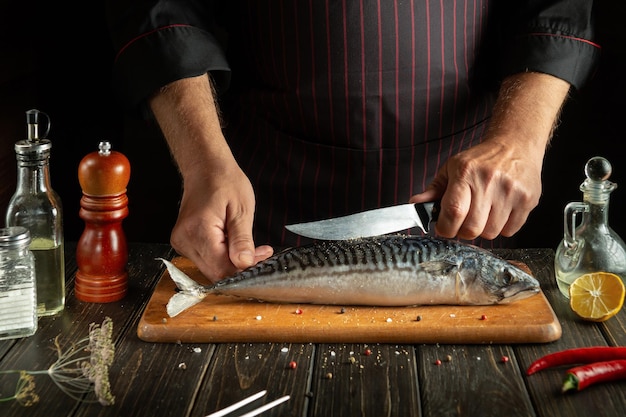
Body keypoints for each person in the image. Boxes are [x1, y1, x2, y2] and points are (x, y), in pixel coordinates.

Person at [105, 1, 599, 282]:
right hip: (263, 209)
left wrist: (518, 142)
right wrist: (203, 163)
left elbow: (555, 6)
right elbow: (162, 3)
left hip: (460, 211)